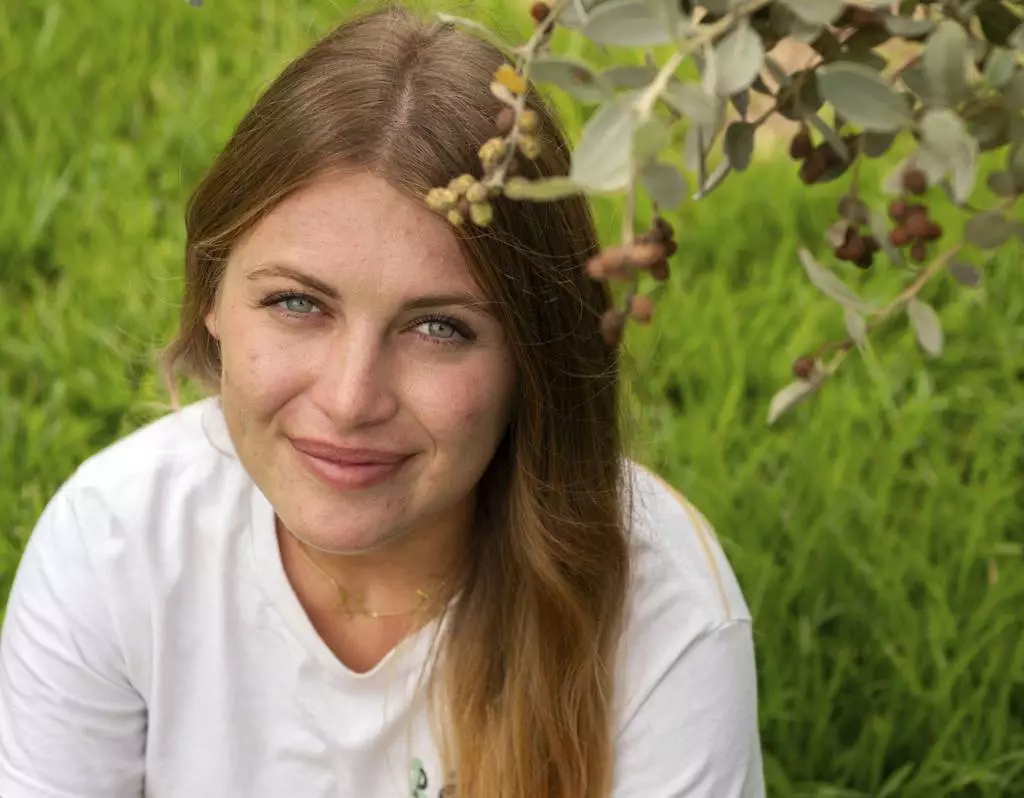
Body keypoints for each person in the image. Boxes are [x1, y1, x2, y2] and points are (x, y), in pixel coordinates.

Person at [0, 5, 765, 797]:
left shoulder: (660, 611)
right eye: (299, 304)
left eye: (439, 327)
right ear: (212, 300)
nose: (350, 398)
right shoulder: (116, 544)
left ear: (532, 357)